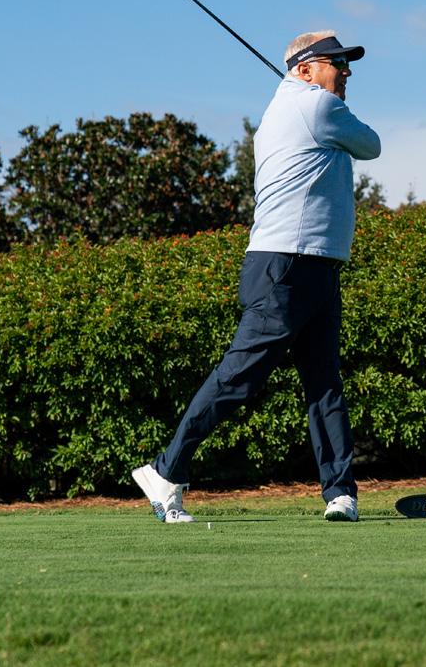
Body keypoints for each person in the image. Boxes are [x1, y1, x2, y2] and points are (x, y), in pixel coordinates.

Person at [133, 30, 381, 522]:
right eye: (337, 62)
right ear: (305, 69)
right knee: (239, 377)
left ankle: (340, 493)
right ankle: (164, 471)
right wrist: (320, 99)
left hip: (315, 263)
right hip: (286, 263)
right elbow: (371, 145)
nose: (347, 71)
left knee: (324, 381)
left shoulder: (294, 105)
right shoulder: (317, 106)